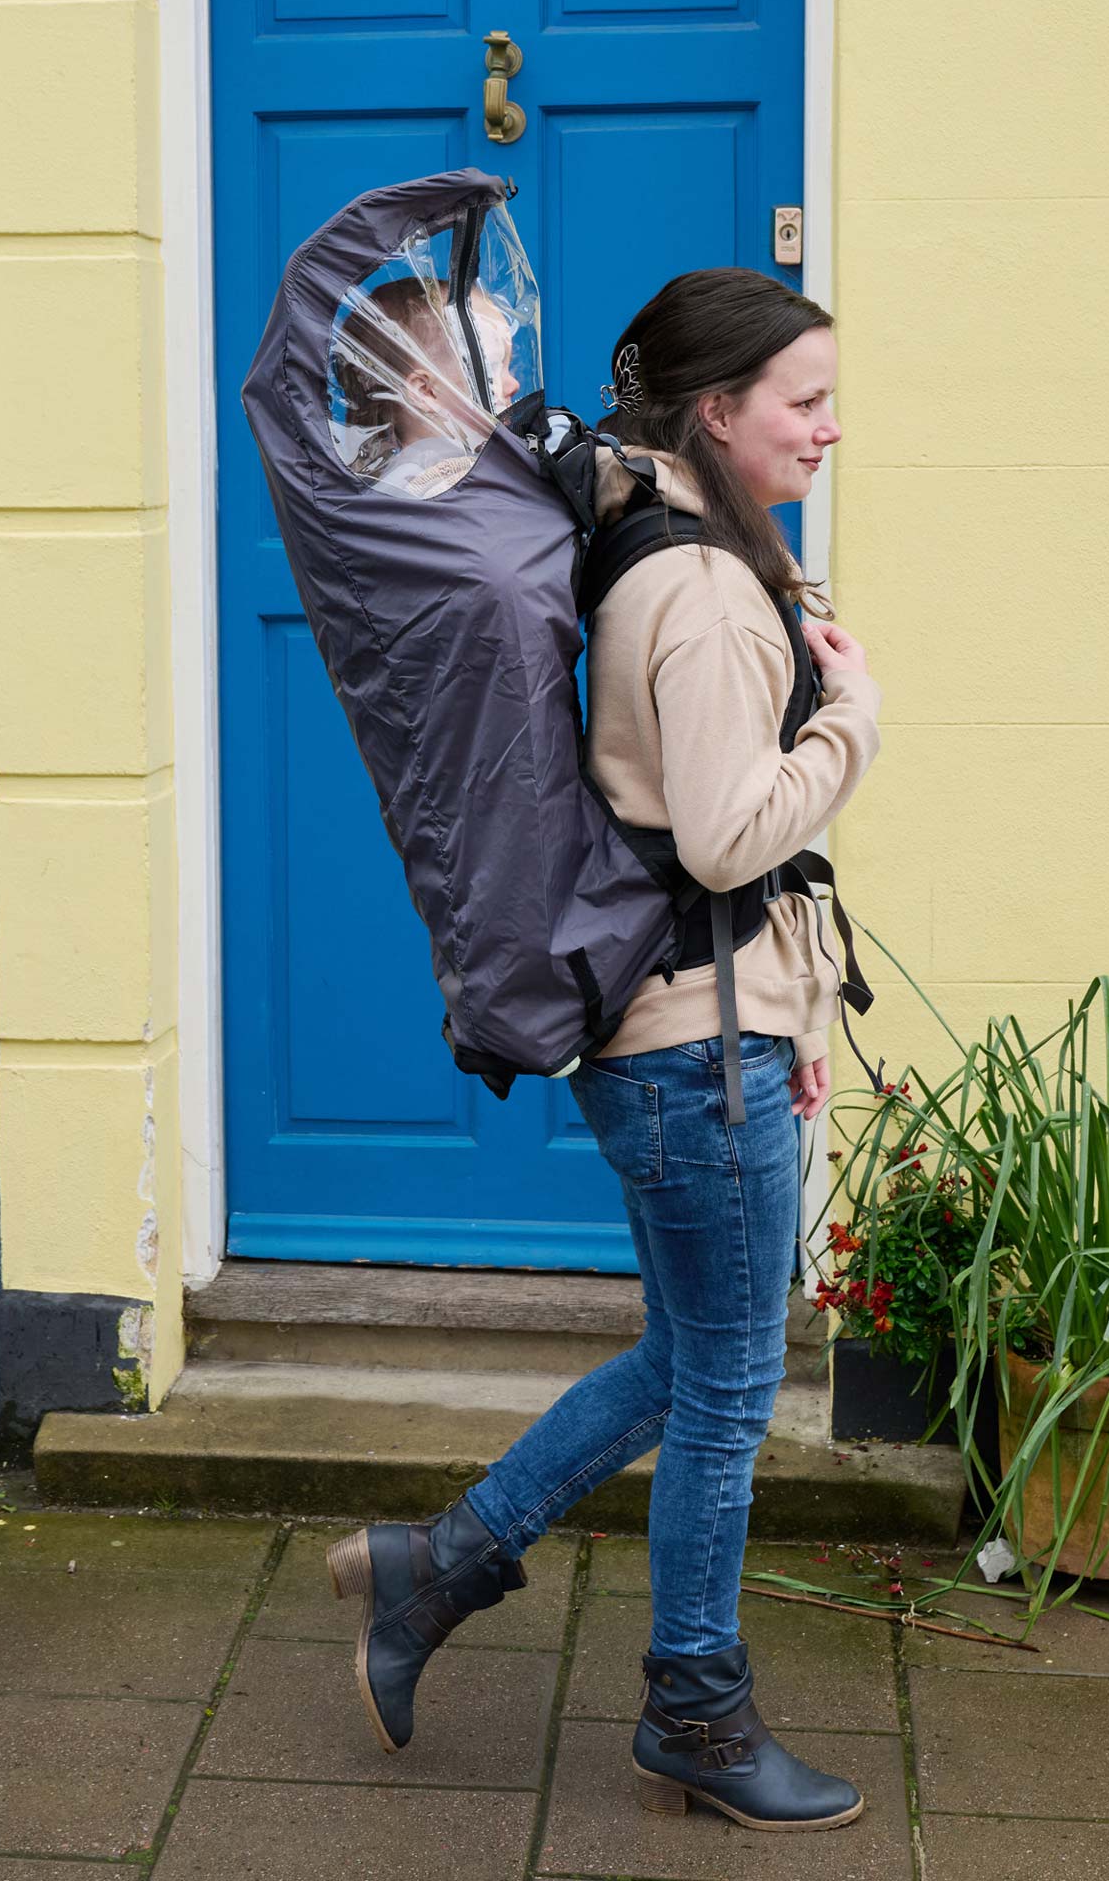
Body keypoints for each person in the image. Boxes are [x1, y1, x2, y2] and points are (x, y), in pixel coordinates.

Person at [324, 269, 878, 1831]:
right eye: (804, 402)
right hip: (693, 1050)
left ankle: (438, 1569)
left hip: (700, 1032)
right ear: (717, 410)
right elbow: (720, 838)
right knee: (726, 1388)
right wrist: (853, 726)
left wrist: (803, 1009)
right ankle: (694, 1711)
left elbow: (721, 862)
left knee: (693, 1354)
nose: (831, 428)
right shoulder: (699, 590)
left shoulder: (682, 547)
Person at [330, 276, 522, 498]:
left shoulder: (384, 487)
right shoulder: (447, 489)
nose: (513, 384)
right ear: (426, 392)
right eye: (492, 369)